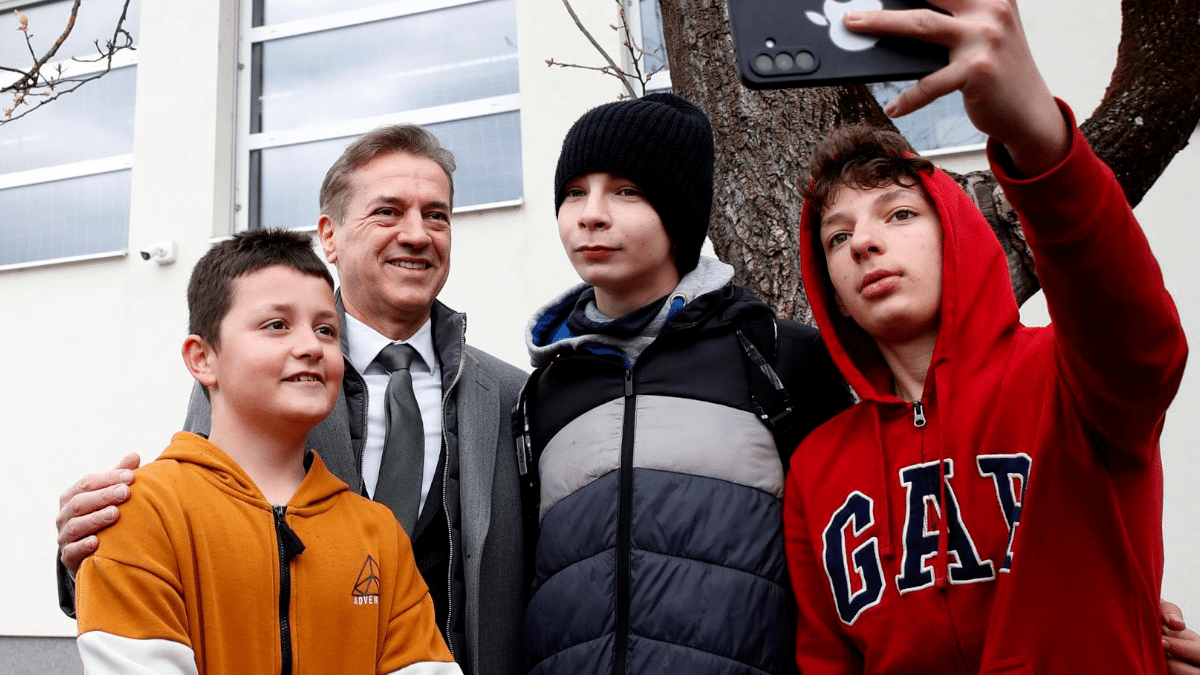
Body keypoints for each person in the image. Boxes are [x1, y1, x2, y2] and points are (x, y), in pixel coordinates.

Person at [783, 1, 1188, 673]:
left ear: (959, 236)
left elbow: (1136, 330)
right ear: (835, 299)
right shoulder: (815, 469)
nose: (863, 243)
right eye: (837, 236)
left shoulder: (1070, 378)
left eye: (899, 213)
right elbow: (825, 660)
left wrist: (1036, 135)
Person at [57, 125, 527, 675]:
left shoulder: (514, 395)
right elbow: (202, 513)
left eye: (437, 215)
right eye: (388, 212)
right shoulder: (246, 379)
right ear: (330, 236)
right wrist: (91, 551)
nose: (417, 234)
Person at [518, 92, 854, 675]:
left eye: (626, 191)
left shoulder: (780, 357)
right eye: (574, 192)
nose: (590, 214)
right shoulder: (543, 392)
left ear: (678, 211)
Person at [75, 229, 460, 674]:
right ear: (202, 358)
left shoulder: (379, 534)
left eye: (326, 330)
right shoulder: (144, 512)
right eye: (276, 325)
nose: (310, 347)